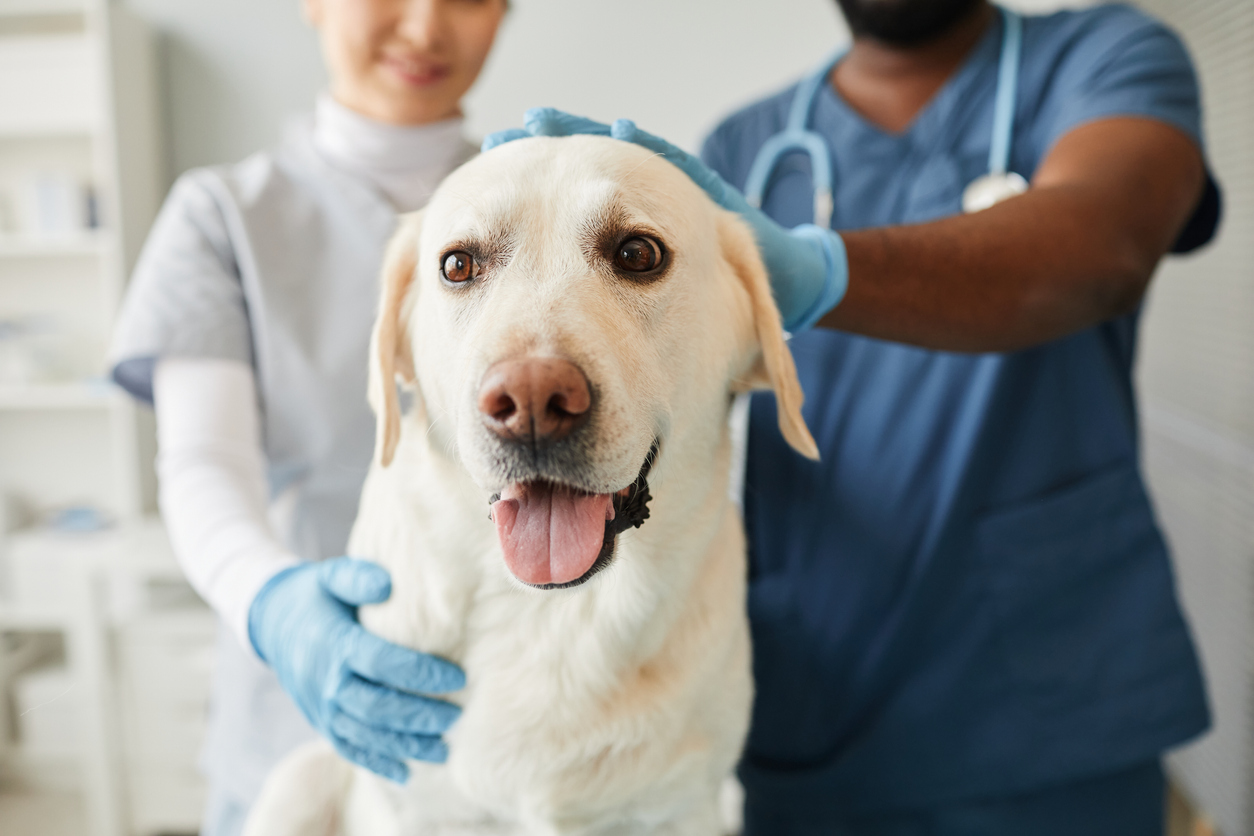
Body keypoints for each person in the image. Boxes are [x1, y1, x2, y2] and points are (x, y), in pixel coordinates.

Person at [487, 0, 1221, 833]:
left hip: (1050, 713)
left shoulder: (1105, 56)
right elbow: (641, 430)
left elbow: (1107, 240)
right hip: (813, 709)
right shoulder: (743, 149)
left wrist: (818, 272)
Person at [108, 0, 507, 833]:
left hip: (513, 729)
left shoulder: (547, 206)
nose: (427, 28)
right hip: (291, 717)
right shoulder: (224, 216)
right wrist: (275, 606)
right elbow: (204, 465)